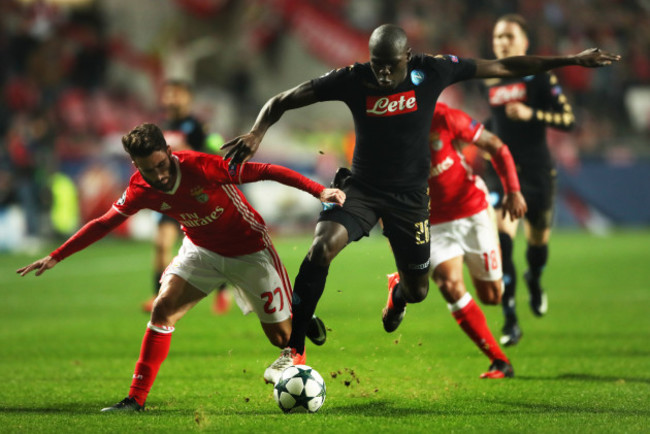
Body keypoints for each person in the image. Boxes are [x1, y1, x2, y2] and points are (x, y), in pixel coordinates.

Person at [221, 23, 619, 384]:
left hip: (410, 200)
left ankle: (398, 294)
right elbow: (283, 99)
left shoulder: (432, 71)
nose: (382, 72)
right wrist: (256, 133)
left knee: (419, 290)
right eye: (377, 64)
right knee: (322, 246)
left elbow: (502, 67)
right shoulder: (354, 79)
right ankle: (293, 351)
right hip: (362, 188)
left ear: (407, 58)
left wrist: (569, 60)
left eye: (390, 65)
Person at [16, 123, 345, 412]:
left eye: (161, 165)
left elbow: (266, 171)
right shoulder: (140, 189)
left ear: (169, 152)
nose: (158, 175)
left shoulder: (201, 167)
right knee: (162, 309)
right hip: (200, 251)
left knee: (283, 339)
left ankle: (301, 315)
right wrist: (56, 255)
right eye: (148, 170)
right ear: (135, 166)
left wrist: (319, 190)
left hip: (250, 250)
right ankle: (135, 400)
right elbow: (103, 224)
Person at [386, 102, 526, 378]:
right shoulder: (384, 130)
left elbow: (496, 145)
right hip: (431, 221)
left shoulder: (442, 115)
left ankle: (399, 283)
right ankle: (499, 361)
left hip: (472, 209)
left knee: (492, 296)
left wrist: (513, 190)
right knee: (450, 284)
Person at [481, 14, 578, 346]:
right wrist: (481, 136)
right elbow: (496, 120)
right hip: (503, 174)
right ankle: (510, 319)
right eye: (497, 37)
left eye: (509, 36)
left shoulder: (540, 78)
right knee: (503, 240)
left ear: (525, 42)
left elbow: (568, 120)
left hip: (538, 173)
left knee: (537, 248)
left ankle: (534, 279)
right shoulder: (490, 78)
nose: (502, 42)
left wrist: (531, 113)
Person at [142, 79, 231, 315]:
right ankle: (158, 296)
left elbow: (213, 154)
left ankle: (223, 289)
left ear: (187, 98)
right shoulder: (159, 128)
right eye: (168, 94)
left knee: (208, 249)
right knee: (161, 245)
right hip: (169, 196)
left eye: (177, 94)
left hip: (195, 196)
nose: (171, 99)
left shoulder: (199, 127)